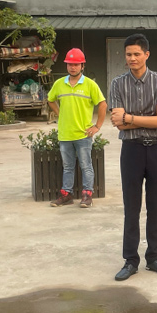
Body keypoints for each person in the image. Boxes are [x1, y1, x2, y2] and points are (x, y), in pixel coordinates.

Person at [109, 33, 157, 281]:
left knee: (155, 206)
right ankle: (130, 260)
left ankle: (153, 257)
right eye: (128, 54)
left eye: (137, 54)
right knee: (131, 207)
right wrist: (154, 120)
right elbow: (118, 123)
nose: (132, 58)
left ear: (147, 54)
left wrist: (130, 118)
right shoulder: (117, 84)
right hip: (132, 150)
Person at [47, 48, 107, 209]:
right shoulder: (59, 84)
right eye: (69, 64)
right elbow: (50, 100)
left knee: (86, 166)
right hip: (65, 134)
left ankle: (87, 195)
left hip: (83, 134)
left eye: (76, 64)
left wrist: (97, 126)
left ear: (82, 66)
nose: (72, 67)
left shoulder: (90, 85)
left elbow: (102, 104)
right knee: (68, 167)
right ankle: (66, 194)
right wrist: (60, 114)